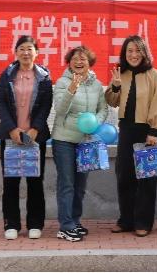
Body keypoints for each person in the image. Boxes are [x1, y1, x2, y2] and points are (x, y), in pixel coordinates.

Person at [104, 35, 157, 237]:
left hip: (146, 131)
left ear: (144, 53)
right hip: (126, 130)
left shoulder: (153, 75)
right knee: (124, 175)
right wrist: (115, 86)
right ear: (124, 54)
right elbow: (112, 101)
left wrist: (154, 131)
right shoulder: (120, 74)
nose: (133, 55)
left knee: (146, 178)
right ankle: (126, 220)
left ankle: (143, 222)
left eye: (137, 50)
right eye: (129, 51)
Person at [0, 34, 52, 240]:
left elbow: (46, 104)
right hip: (11, 136)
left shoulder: (44, 77)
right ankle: (11, 223)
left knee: (35, 180)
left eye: (30, 49)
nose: (26, 53)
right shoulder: (7, 74)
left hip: (35, 137)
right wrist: (11, 129)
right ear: (16, 52)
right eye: (21, 49)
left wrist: (36, 128)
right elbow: (0, 102)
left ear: (36, 52)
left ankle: (35, 223)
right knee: (10, 181)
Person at [48, 44, 108, 242]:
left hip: (86, 142)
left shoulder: (96, 85)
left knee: (80, 185)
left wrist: (95, 122)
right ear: (69, 63)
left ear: (89, 63)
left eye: (83, 58)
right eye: (74, 58)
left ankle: (74, 221)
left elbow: (103, 109)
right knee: (67, 183)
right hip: (64, 140)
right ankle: (65, 226)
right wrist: (71, 90)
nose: (78, 62)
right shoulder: (63, 82)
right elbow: (60, 109)